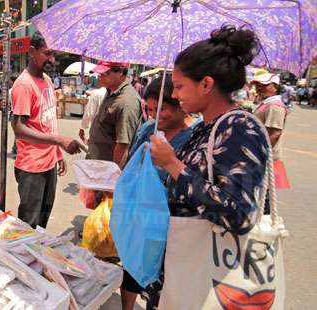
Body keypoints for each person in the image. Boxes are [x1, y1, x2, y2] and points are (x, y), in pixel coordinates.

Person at [145, 25, 269, 309]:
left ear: (206, 84)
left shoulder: (240, 128)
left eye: (179, 86)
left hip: (208, 276)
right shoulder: (207, 127)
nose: (175, 96)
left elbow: (240, 214)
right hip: (182, 266)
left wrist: (173, 164)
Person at [120, 75, 199, 310]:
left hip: (168, 225)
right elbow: (132, 166)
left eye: (161, 109)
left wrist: (168, 162)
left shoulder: (192, 139)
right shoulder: (147, 130)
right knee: (132, 269)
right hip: (140, 218)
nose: (155, 115)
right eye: (151, 109)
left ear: (180, 105)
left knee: (162, 282)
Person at [11, 32, 83, 228]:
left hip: (49, 163)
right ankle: (22, 258)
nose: (52, 60)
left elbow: (48, 122)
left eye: (54, 55)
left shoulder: (48, 81)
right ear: (32, 51)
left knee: (42, 221)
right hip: (31, 167)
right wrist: (59, 140)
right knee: (28, 225)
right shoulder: (24, 85)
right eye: (47, 54)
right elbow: (18, 128)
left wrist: (57, 154)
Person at [86, 60, 143, 169]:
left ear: (120, 72)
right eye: (99, 74)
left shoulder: (126, 102)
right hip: (97, 161)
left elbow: (122, 145)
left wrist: (113, 178)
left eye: (105, 74)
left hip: (106, 169)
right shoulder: (111, 91)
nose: (100, 77)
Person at [251, 73, 290, 193]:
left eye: (264, 85)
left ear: (276, 87)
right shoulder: (266, 103)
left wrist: (260, 154)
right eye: (258, 85)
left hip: (267, 158)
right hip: (263, 156)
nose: (259, 87)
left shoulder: (274, 106)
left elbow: (274, 133)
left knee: (264, 198)